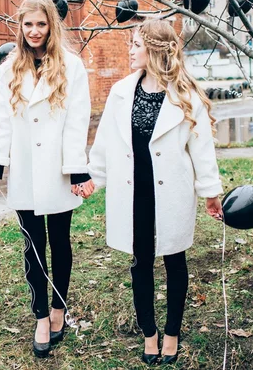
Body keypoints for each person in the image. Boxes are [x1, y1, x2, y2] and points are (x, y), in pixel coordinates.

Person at [88, 19, 223, 365]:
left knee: (175, 260)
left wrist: (210, 192)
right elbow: (104, 143)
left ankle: (172, 332)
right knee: (140, 263)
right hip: (132, 192)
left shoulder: (185, 96)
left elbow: (202, 148)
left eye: (136, 44)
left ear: (154, 49)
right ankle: (149, 333)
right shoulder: (121, 92)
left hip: (172, 192)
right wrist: (92, 179)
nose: (130, 51)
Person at [0, 0, 94, 358]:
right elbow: (2, 123)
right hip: (25, 173)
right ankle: (39, 316)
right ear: (20, 26)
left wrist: (78, 170)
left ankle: (58, 309)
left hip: (58, 169)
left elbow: (77, 122)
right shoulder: (8, 68)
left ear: (52, 25)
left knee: (60, 242)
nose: (34, 31)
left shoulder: (71, 66)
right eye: (28, 24)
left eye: (41, 24)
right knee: (33, 247)